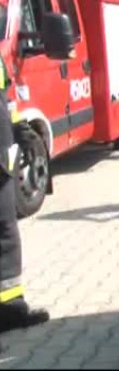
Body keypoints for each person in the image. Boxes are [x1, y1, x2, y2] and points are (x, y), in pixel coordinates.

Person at [0, 56, 49, 345]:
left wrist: (22, 131)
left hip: (2, 162)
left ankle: (10, 309)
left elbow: (6, 101)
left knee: (6, 233)